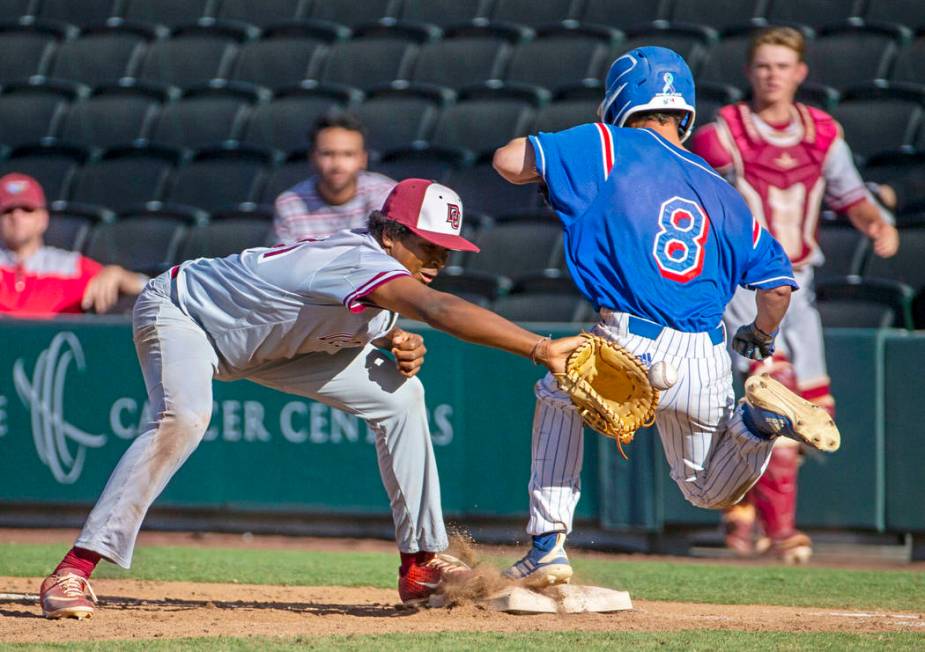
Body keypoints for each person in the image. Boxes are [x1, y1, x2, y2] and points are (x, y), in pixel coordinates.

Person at [39, 178, 584, 619]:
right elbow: (440, 310)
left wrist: (393, 337)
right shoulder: (359, 259)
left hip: (267, 347)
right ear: (390, 233)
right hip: (184, 314)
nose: (438, 257)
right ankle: (76, 566)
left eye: (447, 248)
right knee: (184, 416)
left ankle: (421, 564)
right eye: (427, 243)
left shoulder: (386, 272)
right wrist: (540, 347)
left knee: (401, 397)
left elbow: (363, 315)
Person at [492, 46, 838, 586]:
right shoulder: (723, 190)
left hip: (628, 336)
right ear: (684, 110)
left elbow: (508, 160)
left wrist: (560, 170)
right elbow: (776, 288)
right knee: (707, 491)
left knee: (557, 393)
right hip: (705, 354)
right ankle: (757, 424)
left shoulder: (606, 141)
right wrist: (759, 337)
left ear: (621, 97)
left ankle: (546, 548)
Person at [689, 26, 899, 563]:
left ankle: (746, 517)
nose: (772, 74)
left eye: (782, 65)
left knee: (804, 409)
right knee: (773, 397)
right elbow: (687, 191)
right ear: (749, 72)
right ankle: (780, 532)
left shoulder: (823, 133)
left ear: (800, 73)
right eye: (763, 65)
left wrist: (877, 221)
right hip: (745, 284)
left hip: (798, 288)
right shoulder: (724, 133)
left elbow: (851, 194)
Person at [0, 173, 146, 317]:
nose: (16, 217)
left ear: (43, 218)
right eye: (7, 210)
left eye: (27, 209)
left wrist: (119, 275)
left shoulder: (71, 266)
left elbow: (151, 287)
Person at [273, 112, 396, 243]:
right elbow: (283, 261)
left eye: (348, 154)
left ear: (363, 159)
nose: (337, 164)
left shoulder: (388, 196)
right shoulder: (289, 205)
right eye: (327, 153)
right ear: (312, 157)